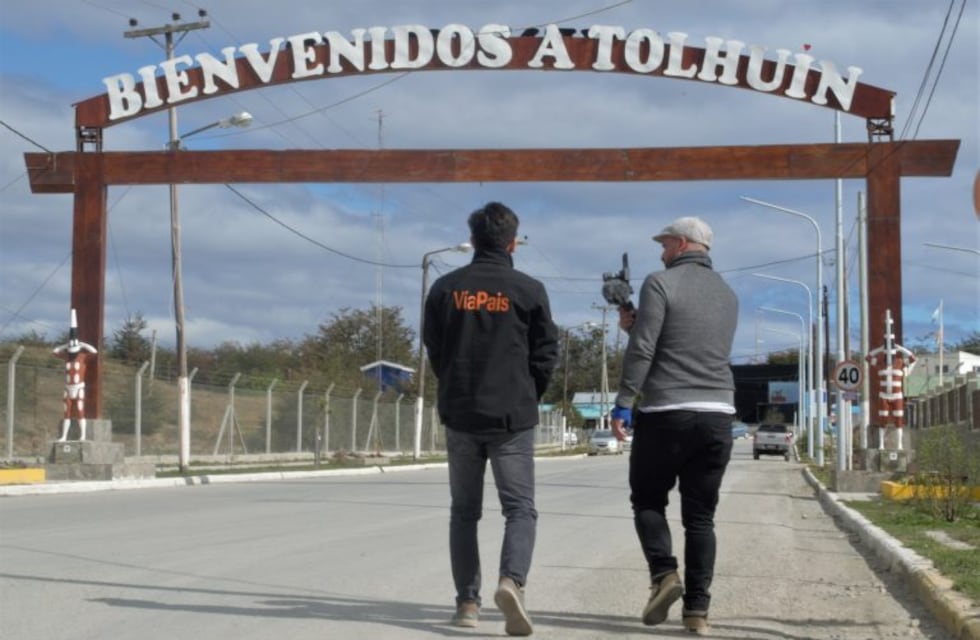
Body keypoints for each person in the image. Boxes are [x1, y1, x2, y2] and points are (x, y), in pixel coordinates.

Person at [424, 201, 559, 636]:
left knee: (464, 512)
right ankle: (511, 581)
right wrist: (526, 395)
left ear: (475, 241)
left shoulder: (446, 288)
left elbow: (437, 351)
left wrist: (456, 389)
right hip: (511, 418)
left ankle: (467, 602)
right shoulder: (528, 289)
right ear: (512, 243)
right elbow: (545, 354)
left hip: (460, 414)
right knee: (519, 509)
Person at [609, 216, 738, 635]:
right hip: (719, 413)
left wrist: (625, 401)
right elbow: (690, 344)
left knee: (647, 500)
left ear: (682, 244)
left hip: (667, 411)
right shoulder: (728, 294)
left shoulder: (659, 283)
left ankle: (664, 575)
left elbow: (647, 348)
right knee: (701, 519)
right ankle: (697, 612)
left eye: (665, 245)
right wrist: (638, 326)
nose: (662, 253)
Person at [52, 308, 98, 442]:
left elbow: (94, 352)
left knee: (80, 410)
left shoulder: (82, 356)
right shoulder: (67, 356)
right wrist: (65, 345)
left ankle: (82, 435)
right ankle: (64, 436)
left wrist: (83, 344)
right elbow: (54, 351)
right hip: (68, 387)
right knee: (66, 412)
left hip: (79, 387)